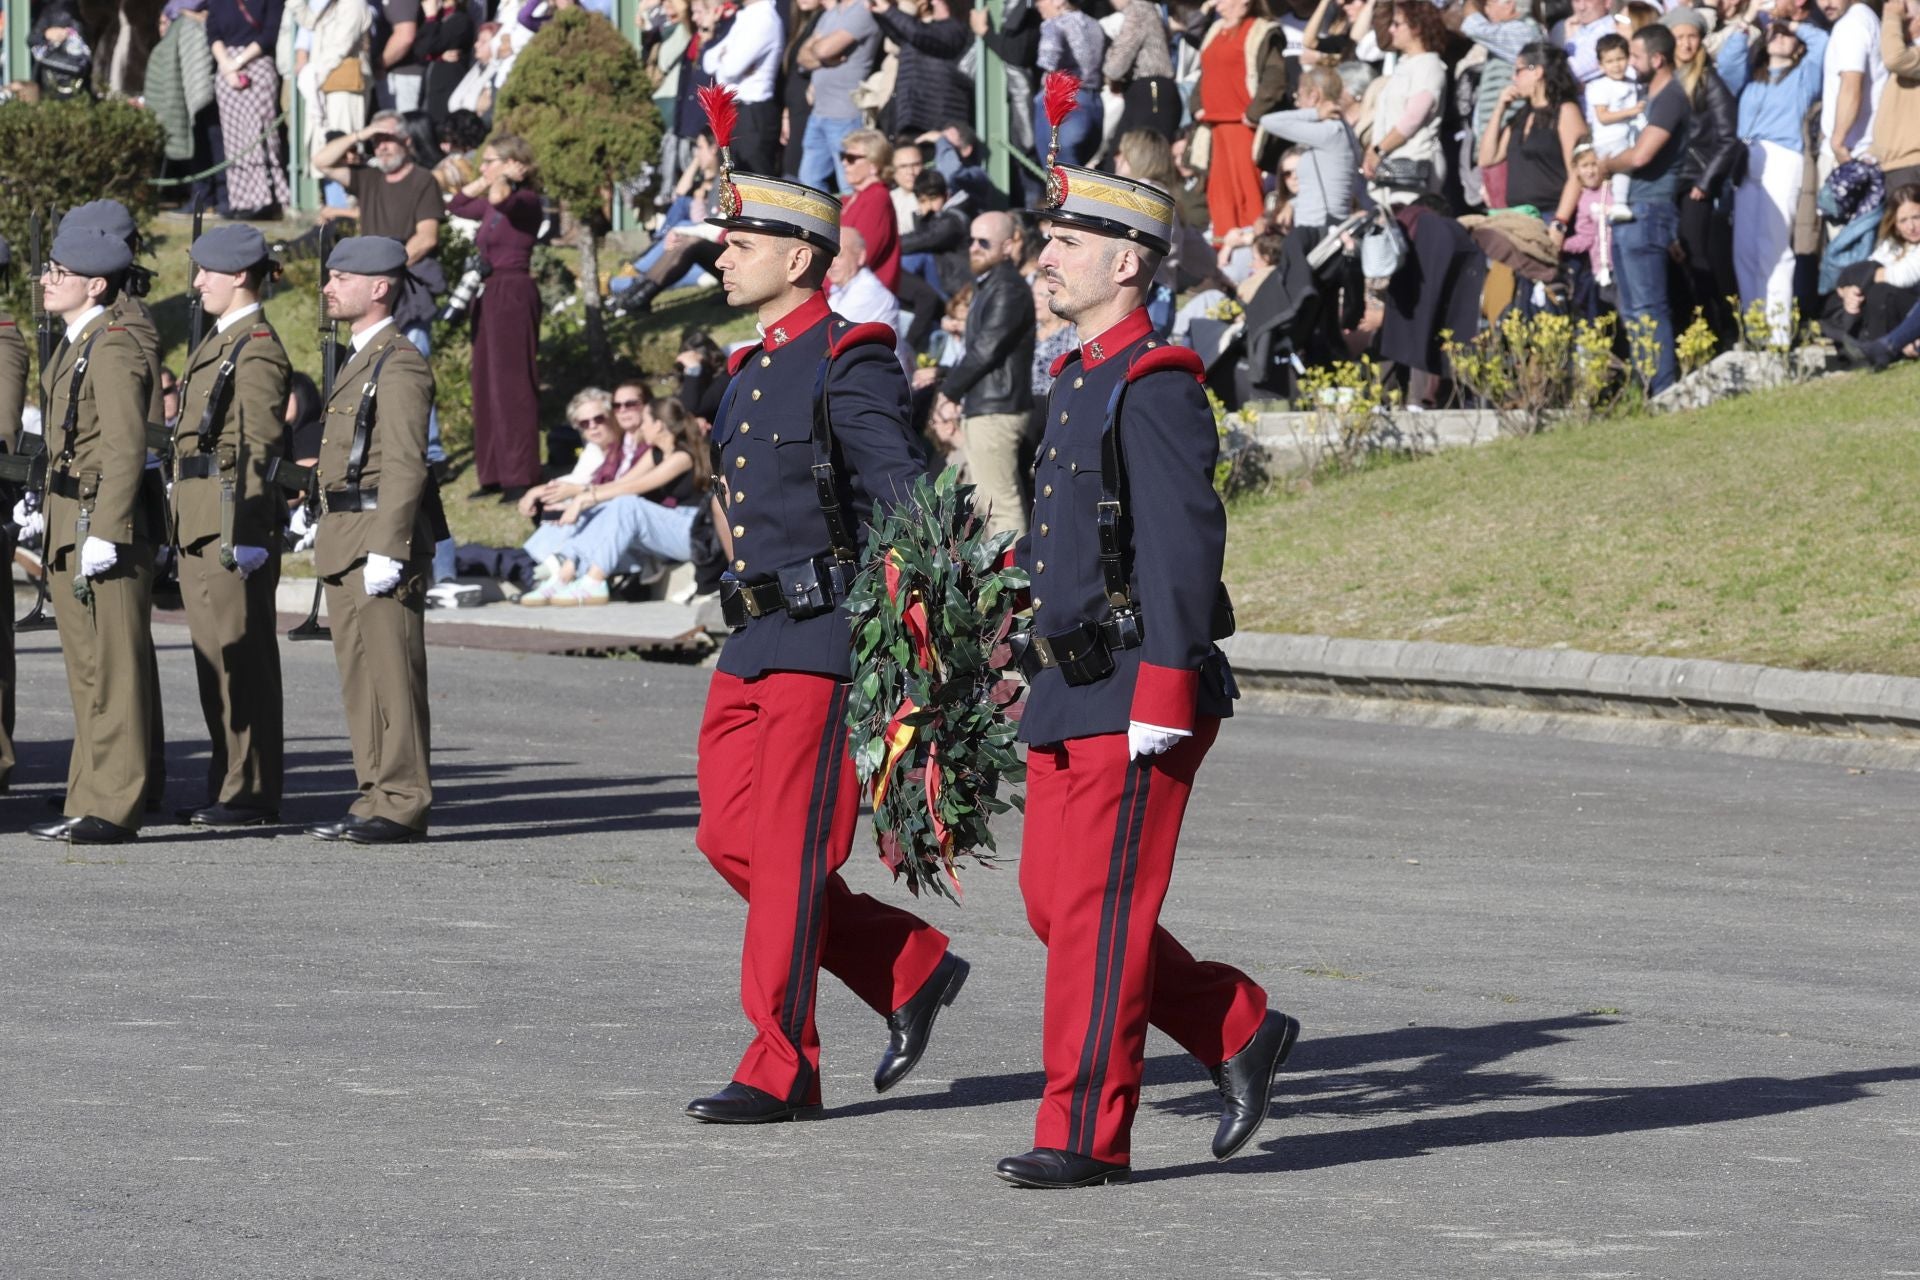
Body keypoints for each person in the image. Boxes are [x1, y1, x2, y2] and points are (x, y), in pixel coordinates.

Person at [993, 117, 1297, 1190]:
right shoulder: (1078, 374)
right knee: (1051, 900)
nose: (1046, 255)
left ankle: (1083, 1130)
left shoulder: (1156, 380)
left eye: (1066, 241)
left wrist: (1168, 678)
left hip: (1138, 682)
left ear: (1127, 262)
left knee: (1096, 912)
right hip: (1070, 681)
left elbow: (1182, 542)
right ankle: (1236, 1022)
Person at [682, 91, 968, 1125]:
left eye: (742, 240)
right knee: (728, 837)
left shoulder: (849, 357)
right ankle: (906, 963)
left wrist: (912, 641)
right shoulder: (749, 367)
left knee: (794, 854)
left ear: (801, 256)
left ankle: (781, 1060)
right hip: (752, 633)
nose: (723, 256)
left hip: (824, 637)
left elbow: (902, 501)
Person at [27, 228, 162, 845]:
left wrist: (107, 529)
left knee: (114, 670)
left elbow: (125, 446)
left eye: (59, 272)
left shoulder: (112, 347)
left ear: (96, 284)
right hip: (69, 520)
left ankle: (116, 805)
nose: (47, 280)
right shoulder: (79, 344)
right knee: (87, 672)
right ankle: (89, 796)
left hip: (99, 525)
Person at [305, 236, 437, 844]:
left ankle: (405, 798)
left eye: (341, 278)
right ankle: (374, 793)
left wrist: (391, 545)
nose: (329, 287)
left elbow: (406, 464)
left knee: (392, 675)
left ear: (379, 287)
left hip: (377, 539)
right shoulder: (362, 357)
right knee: (360, 677)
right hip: (345, 533)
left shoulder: (399, 361)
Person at [169, 225, 291, 828]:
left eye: (206, 272)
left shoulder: (257, 346)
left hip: (228, 522)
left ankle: (252, 791)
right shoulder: (225, 340)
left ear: (239, 275)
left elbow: (258, 443)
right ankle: (229, 784)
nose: (196, 283)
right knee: (215, 664)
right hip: (200, 519)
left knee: (245, 662)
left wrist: (245, 526)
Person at [520, 400, 711, 605]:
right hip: (668, 530)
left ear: (658, 425)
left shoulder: (683, 457)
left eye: (645, 421)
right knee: (611, 506)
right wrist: (582, 499)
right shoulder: (654, 453)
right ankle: (564, 574)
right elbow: (622, 483)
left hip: (693, 532)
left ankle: (593, 582)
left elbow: (635, 487)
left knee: (627, 505)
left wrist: (585, 498)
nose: (641, 427)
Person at [1719, 7, 1826, 345]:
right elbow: (1726, 63)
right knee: (1744, 249)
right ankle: (1755, 329)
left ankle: (1778, 331)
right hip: (1746, 158)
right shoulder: (1751, 77)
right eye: (1774, 33)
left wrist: (1791, 22)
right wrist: (1751, 20)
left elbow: (1822, 41)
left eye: (1786, 34)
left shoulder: (1805, 74)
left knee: (1773, 246)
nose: (1779, 36)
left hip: (1782, 158)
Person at [449, 134, 544, 500]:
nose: (483, 168)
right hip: (488, 293)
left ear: (510, 163)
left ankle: (519, 475)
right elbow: (457, 205)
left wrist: (503, 179)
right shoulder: (492, 200)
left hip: (514, 292)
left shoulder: (525, 200)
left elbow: (503, 199)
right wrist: (489, 175)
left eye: (489, 161)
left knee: (513, 385)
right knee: (485, 383)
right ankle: (492, 473)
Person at [1603, 23, 1691, 393]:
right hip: (1630, 211)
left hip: (1651, 209)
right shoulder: (1647, 97)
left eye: (1635, 56)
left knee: (1648, 308)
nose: (1629, 63)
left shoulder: (1671, 97)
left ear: (1657, 59)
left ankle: (1662, 389)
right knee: (1632, 311)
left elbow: (1641, 155)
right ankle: (1649, 386)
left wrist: (1606, 164)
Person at [939, 211, 1035, 538]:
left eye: (984, 242)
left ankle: (1017, 587)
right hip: (987, 405)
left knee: (1001, 505)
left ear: (1008, 246)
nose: (974, 248)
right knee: (986, 504)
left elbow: (986, 349)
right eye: (971, 240)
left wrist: (948, 391)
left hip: (998, 408)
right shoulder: (991, 284)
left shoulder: (1009, 287)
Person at [1666, 7, 1742, 346]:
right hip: (1667, 184)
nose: (1685, 44)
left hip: (1695, 181)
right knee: (1675, 257)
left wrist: (1705, 182)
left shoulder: (1709, 80)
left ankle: (1719, 326)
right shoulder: (1666, 79)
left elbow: (1728, 138)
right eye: (1679, 37)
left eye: (1691, 37)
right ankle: (1690, 330)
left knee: (1698, 255)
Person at [1191, 0, 1288, 240]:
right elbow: (1204, 71)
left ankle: (1254, 249)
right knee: (1219, 194)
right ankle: (1223, 250)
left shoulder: (1262, 30)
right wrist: (1197, 106)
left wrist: (1254, 113)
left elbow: (1275, 77)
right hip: (1213, 126)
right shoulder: (1214, 29)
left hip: (1243, 125)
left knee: (1248, 193)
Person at [208, 0, 292, 218]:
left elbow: (269, 34)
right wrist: (227, 67)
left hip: (257, 64)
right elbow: (213, 34)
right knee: (234, 139)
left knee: (261, 135)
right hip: (226, 70)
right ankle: (241, 200)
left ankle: (267, 199)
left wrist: (237, 63)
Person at [1362, 1, 1449, 201]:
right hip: (1389, 166)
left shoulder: (1429, 66)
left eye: (1397, 24)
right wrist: (1372, 151)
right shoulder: (1404, 65)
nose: (1391, 30)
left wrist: (1378, 150)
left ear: (1416, 27)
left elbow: (1413, 118)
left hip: (1413, 167)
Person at [796, 0, 881, 192]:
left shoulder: (863, 11)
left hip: (846, 115)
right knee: (808, 182)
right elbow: (802, 56)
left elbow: (822, 49)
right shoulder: (830, 14)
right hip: (819, 113)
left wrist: (819, 52)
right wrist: (826, 61)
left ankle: (849, 222)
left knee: (850, 183)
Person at [868, 0, 976, 138]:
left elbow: (917, 33)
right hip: (911, 122)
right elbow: (900, 33)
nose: (933, 2)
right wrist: (877, 10)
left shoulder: (956, 30)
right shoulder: (927, 30)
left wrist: (888, 10)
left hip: (938, 126)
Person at [1828, 183, 1920, 342]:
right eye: (1903, 221)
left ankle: (1876, 345)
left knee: (1881, 291)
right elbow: (1860, 270)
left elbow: (1904, 275)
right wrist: (1848, 292)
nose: (1911, 227)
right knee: (1863, 282)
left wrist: (1868, 278)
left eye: (1917, 217)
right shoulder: (1893, 245)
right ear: (1895, 225)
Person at [701, 0, 784, 173]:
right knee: (732, 180)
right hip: (734, 110)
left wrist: (725, 60)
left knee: (755, 184)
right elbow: (709, 61)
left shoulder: (765, 19)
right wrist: (725, 61)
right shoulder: (746, 16)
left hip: (753, 114)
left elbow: (730, 69)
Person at [1817, 0, 1887, 185]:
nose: (1826, 4)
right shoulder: (1866, 18)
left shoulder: (1852, 24)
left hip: (1851, 154)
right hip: (1863, 151)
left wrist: (1837, 143)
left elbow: (1851, 84)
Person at [1033, 0, 1107, 170]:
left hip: (1064, 102)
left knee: (1058, 175)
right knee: (1079, 168)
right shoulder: (1094, 25)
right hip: (1094, 102)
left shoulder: (1054, 24)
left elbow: (1048, 59)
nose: (1037, 5)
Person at [1586, 34, 1644, 221]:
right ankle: (1617, 204)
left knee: (1623, 173)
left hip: (1627, 136)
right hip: (1609, 140)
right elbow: (1603, 116)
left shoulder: (1632, 82)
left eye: (1620, 59)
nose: (1616, 65)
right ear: (1600, 65)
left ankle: (1610, 205)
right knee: (1621, 170)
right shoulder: (1599, 86)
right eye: (1610, 61)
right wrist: (1632, 111)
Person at [1105, 0, 1180, 142]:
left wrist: (1108, 73)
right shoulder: (1150, 9)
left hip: (1152, 88)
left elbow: (1121, 55)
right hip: (1152, 90)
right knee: (1126, 154)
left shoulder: (1139, 10)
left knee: (1144, 151)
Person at [837, 129, 902, 288]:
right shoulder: (851, 199)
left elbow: (858, 257)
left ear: (874, 165)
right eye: (843, 157)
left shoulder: (877, 199)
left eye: (851, 158)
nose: (844, 162)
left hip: (861, 293)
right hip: (842, 288)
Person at [1874, 0, 1920, 193]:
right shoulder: (1909, 47)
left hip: (1911, 164)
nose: (1896, 4)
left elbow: (1895, 58)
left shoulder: (1907, 54)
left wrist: (1891, 15)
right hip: (1897, 165)